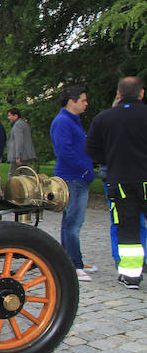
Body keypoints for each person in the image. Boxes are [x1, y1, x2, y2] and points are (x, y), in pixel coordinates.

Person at [86, 77, 147, 289]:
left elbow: (92, 150)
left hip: (119, 179)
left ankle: (130, 276)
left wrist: (111, 159)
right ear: (142, 93)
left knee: (127, 228)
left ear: (119, 95)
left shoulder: (104, 118)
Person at [50, 85, 96, 281]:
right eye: (83, 100)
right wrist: (84, 169)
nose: (86, 104)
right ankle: (73, 265)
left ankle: (71, 260)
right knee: (72, 223)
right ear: (72, 101)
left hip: (78, 176)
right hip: (73, 177)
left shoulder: (71, 121)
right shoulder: (63, 121)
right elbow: (64, 150)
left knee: (72, 221)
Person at [6, 108, 36, 176]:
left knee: (12, 174)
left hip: (20, 155)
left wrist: (18, 156)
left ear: (16, 116)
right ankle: (35, 184)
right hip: (26, 154)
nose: (8, 118)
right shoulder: (24, 124)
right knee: (27, 173)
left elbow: (19, 141)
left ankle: (10, 186)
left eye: (10, 115)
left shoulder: (17, 125)